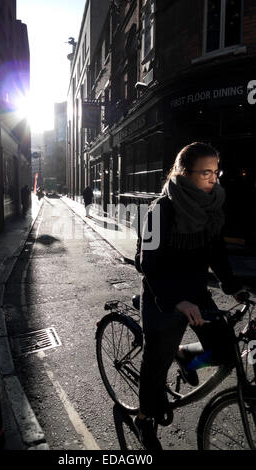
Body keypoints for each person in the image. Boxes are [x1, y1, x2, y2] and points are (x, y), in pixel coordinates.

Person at [134, 142, 246, 450]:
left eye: (216, 172)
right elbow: (147, 263)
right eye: (206, 172)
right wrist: (175, 302)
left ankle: (184, 355)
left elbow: (217, 252)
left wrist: (232, 285)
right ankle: (144, 418)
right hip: (164, 296)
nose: (213, 179)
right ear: (184, 173)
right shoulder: (160, 209)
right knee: (155, 367)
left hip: (196, 293)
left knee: (224, 350)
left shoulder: (211, 205)